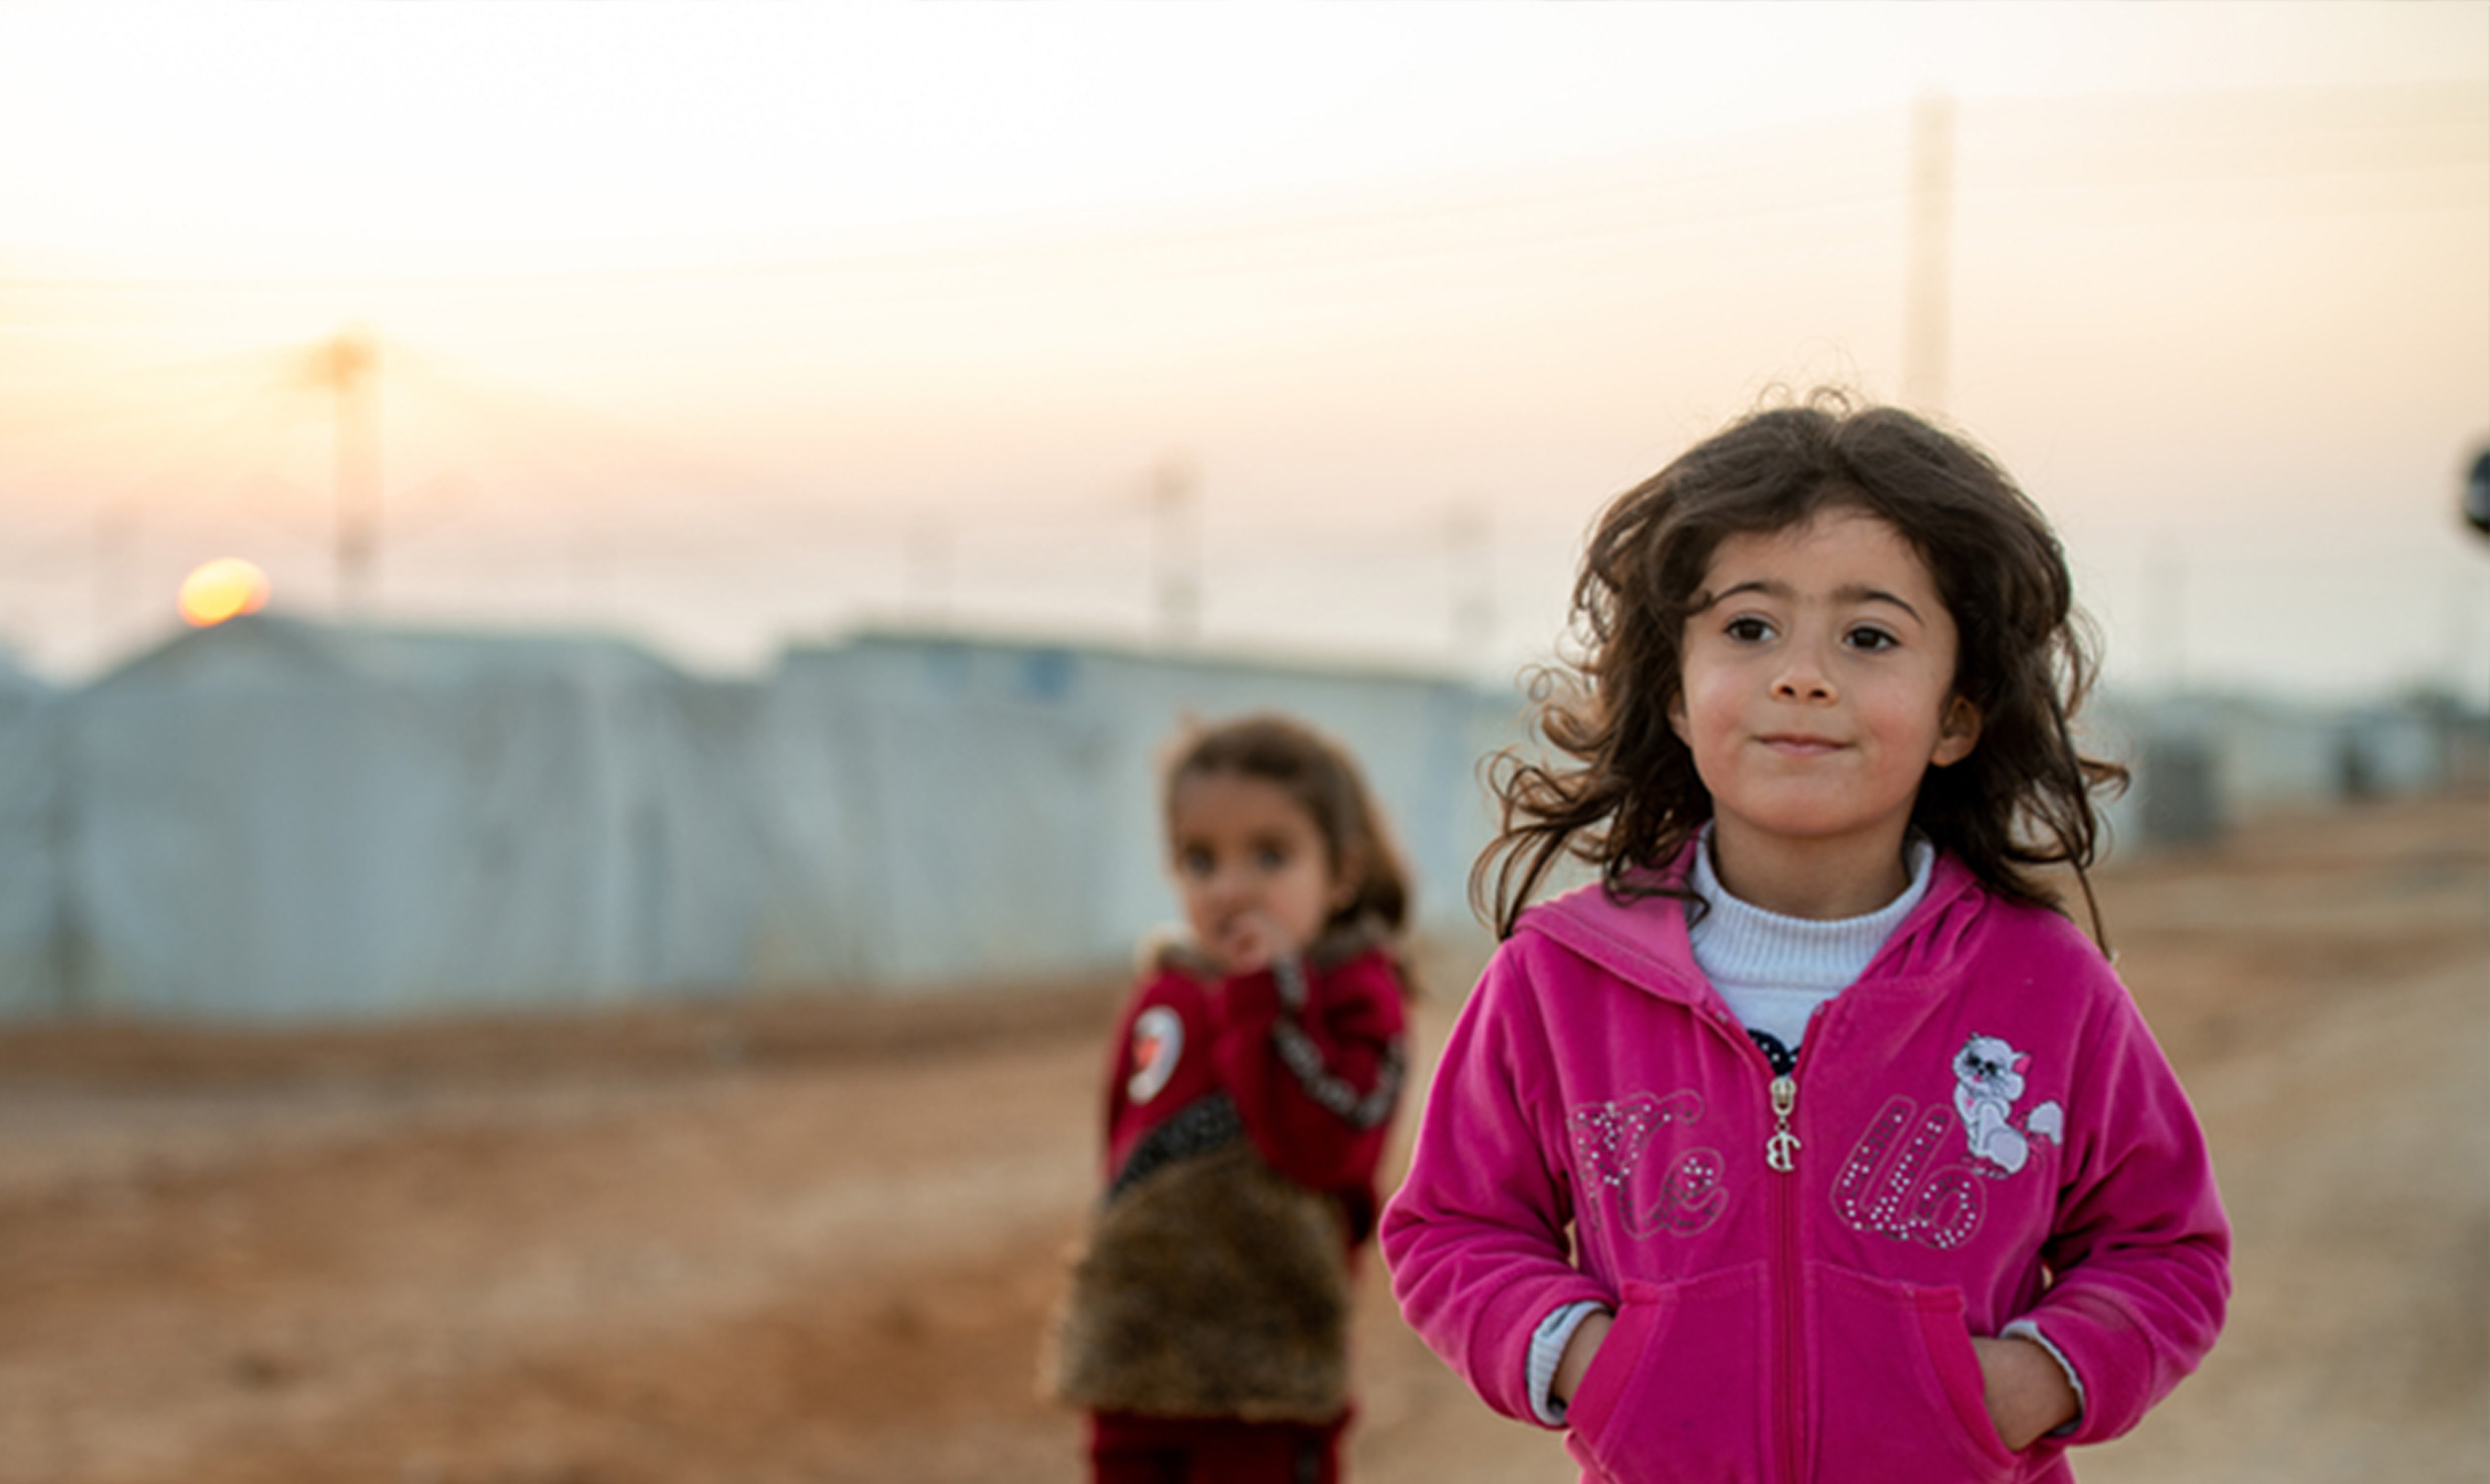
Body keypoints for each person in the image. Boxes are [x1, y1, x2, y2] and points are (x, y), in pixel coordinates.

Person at [1379, 393, 2230, 1483]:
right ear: (1676, 693)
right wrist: (1595, 1362)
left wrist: (2023, 1384)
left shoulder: (2045, 983)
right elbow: (1455, 1226)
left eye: (1869, 636)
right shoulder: (1557, 978)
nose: (1802, 673)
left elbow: (2164, 1247)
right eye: (1749, 627)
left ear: (1957, 714)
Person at [1049, 713, 1415, 1484]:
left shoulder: (1356, 997)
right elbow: (1118, 1151)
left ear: (1341, 872)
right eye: (1200, 859)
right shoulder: (1167, 992)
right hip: (1135, 1362)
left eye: (1270, 855)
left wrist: (1265, 997)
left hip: (1266, 1381)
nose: (1230, 888)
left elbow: (1323, 1150)